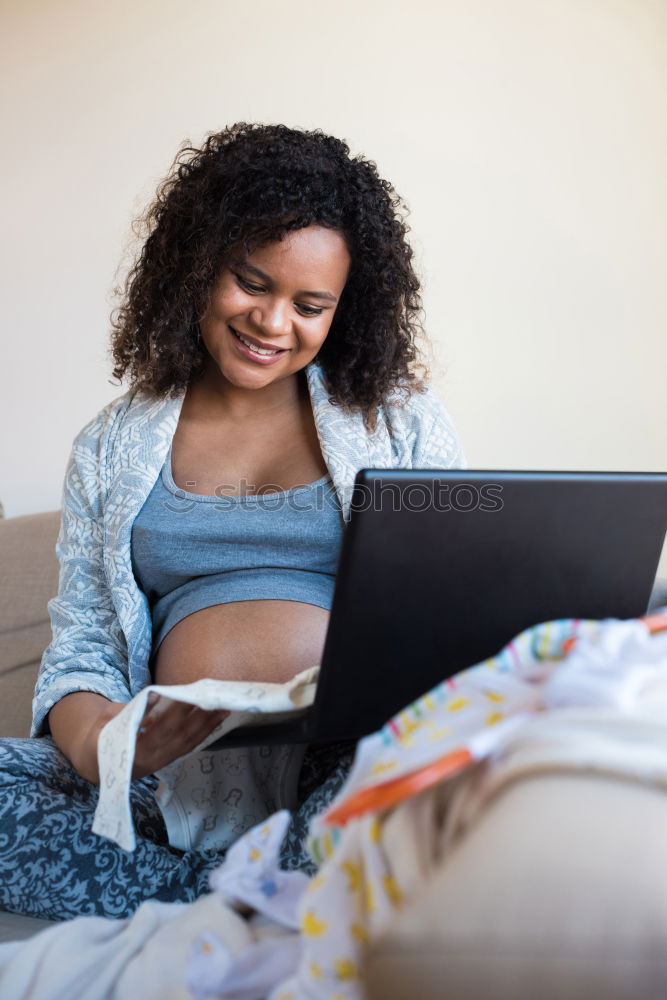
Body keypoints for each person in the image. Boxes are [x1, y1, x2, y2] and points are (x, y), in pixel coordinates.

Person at [0, 123, 465, 922]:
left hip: (347, 757)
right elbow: (81, 640)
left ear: (342, 311)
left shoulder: (399, 423)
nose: (273, 323)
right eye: (251, 283)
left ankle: (223, 893)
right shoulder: (111, 445)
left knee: (457, 769)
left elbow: (452, 603)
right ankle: (249, 892)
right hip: (171, 773)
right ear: (198, 265)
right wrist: (101, 743)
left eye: (309, 304)